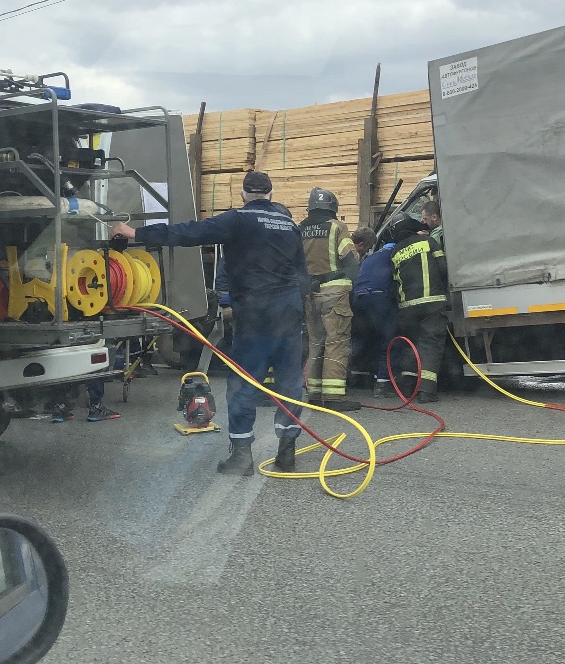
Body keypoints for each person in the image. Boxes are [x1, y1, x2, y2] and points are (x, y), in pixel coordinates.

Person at [110, 170, 310, 475]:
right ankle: (287, 454)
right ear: (271, 195)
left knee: (244, 382)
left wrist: (136, 233)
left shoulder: (238, 219)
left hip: (255, 313)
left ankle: (242, 456)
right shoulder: (289, 225)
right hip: (288, 311)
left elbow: (190, 233)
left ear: (243, 195)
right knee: (289, 383)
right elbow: (302, 276)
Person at [298, 188, 361, 410]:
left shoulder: (301, 229)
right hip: (334, 293)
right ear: (333, 208)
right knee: (337, 342)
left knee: (316, 342)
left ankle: (315, 394)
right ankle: (334, 397)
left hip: (309, 294)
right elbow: (350, 259)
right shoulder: (337, 227)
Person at [390, 215, 448, 404]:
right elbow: (443, 268)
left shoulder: (396, 252)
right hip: (432, 302)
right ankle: (426, 391)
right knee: (430, 345)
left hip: (407, 308)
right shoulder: (428, 242)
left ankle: (408, 387)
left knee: (411, 345)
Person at [350, 231, 400, 397]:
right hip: (378, 298)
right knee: (389, 340)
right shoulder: (396, 253)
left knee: (366, 339)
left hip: (359, 299)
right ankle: (383, 384)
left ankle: (358, 377)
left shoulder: (371, 258)